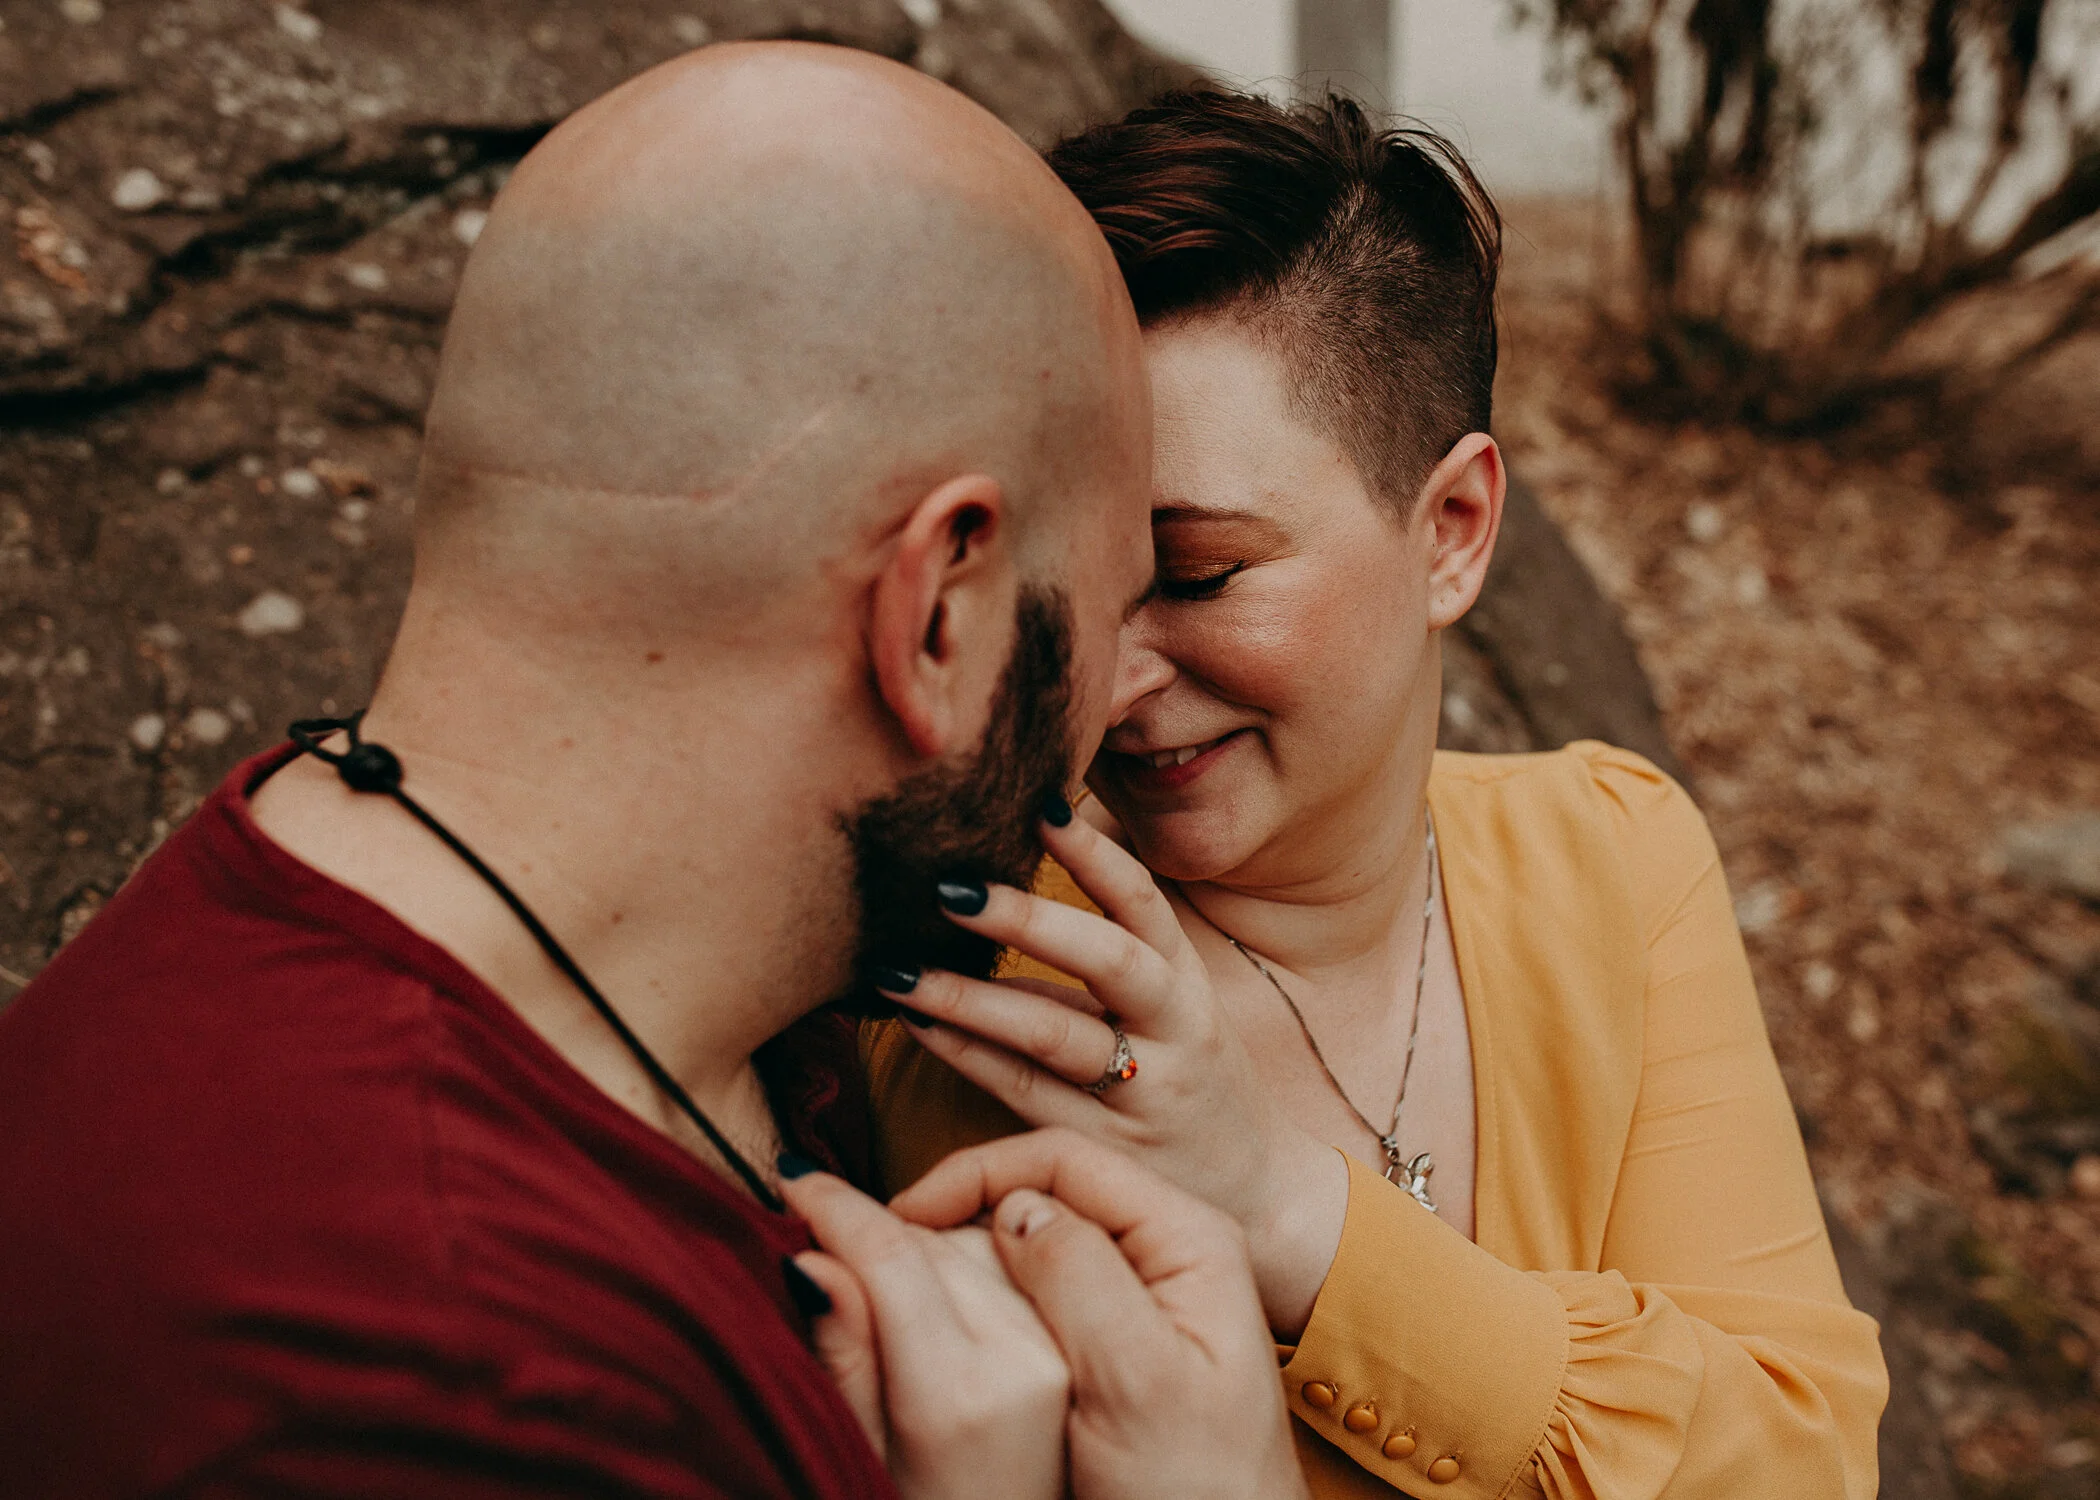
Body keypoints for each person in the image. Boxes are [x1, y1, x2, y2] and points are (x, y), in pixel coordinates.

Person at [0, 45, 1306, 1500]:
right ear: (937, 612)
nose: (1128, 692)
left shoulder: (354, 897)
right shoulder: (451, 1381)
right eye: (1125, 602)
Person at [860, 91, 1891, 1498]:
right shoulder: (980, 993)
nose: (1103, 683)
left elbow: (1806, 1458)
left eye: (1200, 571)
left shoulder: (1610, 854)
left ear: (1454, 531)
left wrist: (1285, 1208)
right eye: (1072, 584)